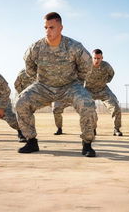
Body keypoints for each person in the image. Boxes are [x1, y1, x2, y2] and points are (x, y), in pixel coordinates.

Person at [15, 12, 97, 157]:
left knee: (87, 103)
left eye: (51, 27)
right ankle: (31, 141)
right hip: (44, 86)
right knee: (21, 102)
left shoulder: (73, 46)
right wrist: (39, 80)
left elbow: (87, 65)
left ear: (61, 28)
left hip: (69, 86)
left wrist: (77, 82)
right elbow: (29, 66)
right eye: (45, 27)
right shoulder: (36, 47)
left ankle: (87, 144)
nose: (48, 31)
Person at [14, 68, 70, 135]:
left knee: (56, 109)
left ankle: (59, 128)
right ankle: (24, 133)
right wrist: (23, 94)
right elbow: (16, 84)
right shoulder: (22, 73)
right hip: (31, 98)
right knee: (25, 111)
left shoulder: (44, 71)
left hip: (47, 95)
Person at [85, 49, 123, 136]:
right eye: (94, 58)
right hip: (89, 90)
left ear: (102, 58)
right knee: (90, 109)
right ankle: (93, 128)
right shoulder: (86, 65)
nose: (96, 60)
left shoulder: (106, 66)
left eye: (98, 58)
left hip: (103, 89)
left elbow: (111, 74)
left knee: (115, 106)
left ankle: (116, 129)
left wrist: (105, 81)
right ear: (92, 57)